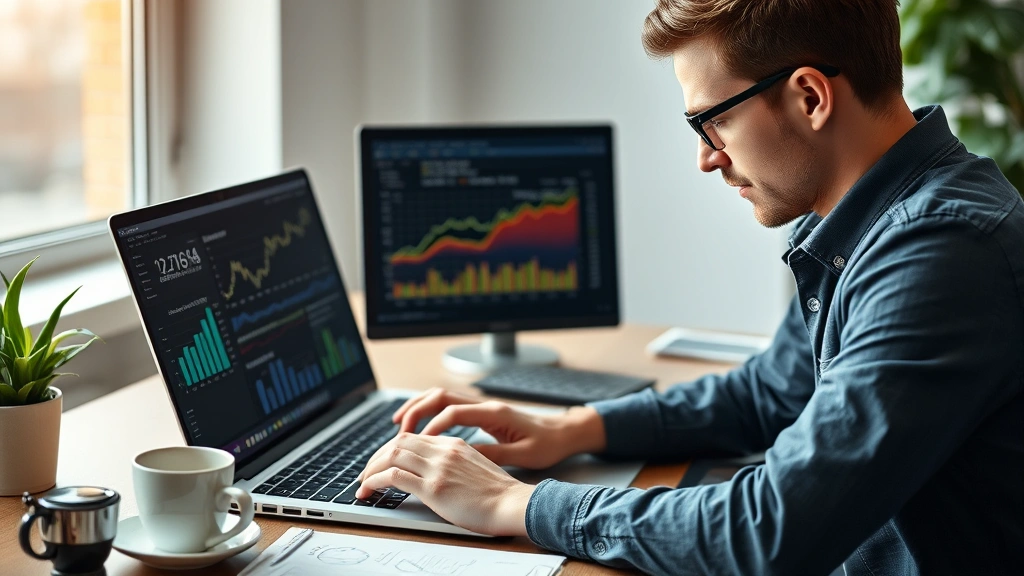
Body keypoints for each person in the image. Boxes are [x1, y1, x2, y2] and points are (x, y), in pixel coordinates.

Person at [356, 1, 1024, 574]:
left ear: (811, 97)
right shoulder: (871, 222)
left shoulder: (941, 250)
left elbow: (770, 532)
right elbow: (770, 391)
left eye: (712, 120)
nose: (706, 156)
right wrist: (571, 430)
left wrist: (516, 503)